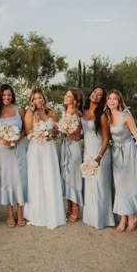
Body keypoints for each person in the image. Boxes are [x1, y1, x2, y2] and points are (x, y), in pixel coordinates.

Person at [105, 90, 137, 232]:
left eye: (114, 99)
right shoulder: (107, 115)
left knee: (130, 185)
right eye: (109, 99)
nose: (111, 101)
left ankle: (131, 217)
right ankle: (124, 217)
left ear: (119, 101)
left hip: (129, 152)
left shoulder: (126, 116)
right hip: (116, 153)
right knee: (120, 187)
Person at [24, 88, 66, 229]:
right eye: (35, 98)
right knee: (36, 179)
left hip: (49, 149)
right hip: (36, 149)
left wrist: (50, 133)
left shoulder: (51, 112)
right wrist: (39, 134)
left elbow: (56, 130)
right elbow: (28, 131)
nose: (37, 100)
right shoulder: (30, 113)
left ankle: (52, 212)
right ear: (31, 100)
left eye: (40, 98)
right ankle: (36, 213)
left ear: (43, 98)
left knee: (50, 178)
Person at [0, 84, 27, 227]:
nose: (6, 98)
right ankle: (10, 213)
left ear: (12, 96)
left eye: (9, 95)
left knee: (19, 178)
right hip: (1, 151)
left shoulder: (20, 109)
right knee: (6, 180)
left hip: (18, 149)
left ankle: (20, 212)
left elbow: (26, 129)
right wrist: (1, 139)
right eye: (4, 95)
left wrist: (18, 138)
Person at [81, 86, 115, 229]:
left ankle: (103, 219)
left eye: (100, 95)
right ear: (90, 94)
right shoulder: (82, 112)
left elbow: (106, 139)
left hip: (100, 154)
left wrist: (99, 158)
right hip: (87, 153)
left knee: (100, 185)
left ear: (102, 99)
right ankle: (90, 217)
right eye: (95, 92)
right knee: (89, 185)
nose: (96, 95)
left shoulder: (102, 115)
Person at [60, 88, 83, 222]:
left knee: (73, 177)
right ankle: (68, 207)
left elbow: (78, 136)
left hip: (73, 147)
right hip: (64, 146)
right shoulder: (64, 112)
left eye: (69, 96)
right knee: (66, 176)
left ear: (75, 100)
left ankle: (75, 209)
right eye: (66, 95)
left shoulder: (77, 114)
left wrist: (67, 132)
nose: (65, 97)